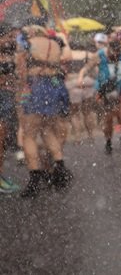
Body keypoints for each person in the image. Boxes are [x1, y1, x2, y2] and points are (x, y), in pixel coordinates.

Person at [15, 23, 73, 197]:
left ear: (31, 30)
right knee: (47, 129)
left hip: (36, 86)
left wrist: (21, 90)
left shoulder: (28, 43)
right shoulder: (54, 44)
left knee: (29, 134)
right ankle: (60, 169)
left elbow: (21, 68)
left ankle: (34, 180)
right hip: (54, 87)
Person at [78, 35, 121, 154]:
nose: (114, 56)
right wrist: (81, 77)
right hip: (105, 90)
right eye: (112, 54)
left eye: (117, 54)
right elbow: (87, 67)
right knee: (108, 119)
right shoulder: (100, 54)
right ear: (108, 48)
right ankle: (108, 141)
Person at [0, 23, 20, 193]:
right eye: (7, 37)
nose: (11, 40)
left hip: (6, 98)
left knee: (3, 138)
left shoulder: (7, 54)